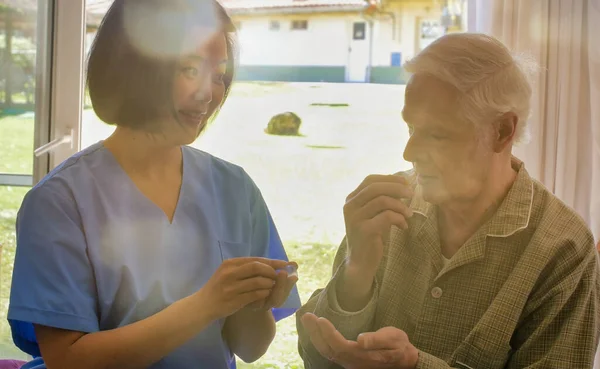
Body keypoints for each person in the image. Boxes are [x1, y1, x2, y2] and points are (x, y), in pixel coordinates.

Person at [8, 1, 301, 368]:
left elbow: (252, 348)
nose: (209, 93)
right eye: (190, 69)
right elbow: (68, 360)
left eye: (219, 74)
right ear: (135, 67)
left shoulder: (236, 190)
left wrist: (256, 303)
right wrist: (205, 304)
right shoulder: (59, 202)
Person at [296, 33, 600, 368]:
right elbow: (316, 359)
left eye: (437, 134)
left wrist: (414, 365)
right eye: (411, 129)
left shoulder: (563, 250)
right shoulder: (386, 209)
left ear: (502, 131)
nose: (408, 153)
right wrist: (356, 273)